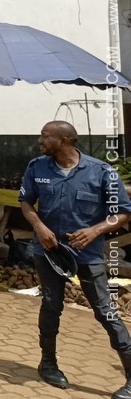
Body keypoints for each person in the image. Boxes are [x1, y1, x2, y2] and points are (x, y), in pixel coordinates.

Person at [18, 120, 131, 395]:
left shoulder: (101, 172)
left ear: (65, 140)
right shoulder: (37, 167)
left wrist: (96, 230)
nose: (39, 141)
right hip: (49, 252)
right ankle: (48, 364)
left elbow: (123, 212)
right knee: (51, 305)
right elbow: (25, 202)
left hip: (87, 254)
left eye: (45, 136)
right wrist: (39, 226)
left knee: (107, 313)